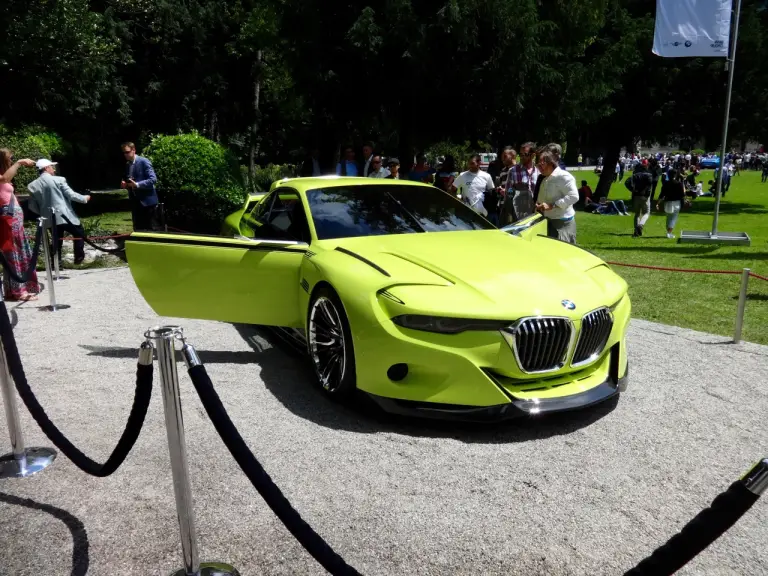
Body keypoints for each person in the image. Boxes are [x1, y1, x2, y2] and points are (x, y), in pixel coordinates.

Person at [27, 159, 91, 266]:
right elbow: (71, 195)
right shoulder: (59, 180)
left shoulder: (32, 185)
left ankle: (56, 263)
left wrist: (43, 213)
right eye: (52, 167)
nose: (54, 169)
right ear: (46, 168)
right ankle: (79, 256)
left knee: (56, 240)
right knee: (79, 233)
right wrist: (85, 198)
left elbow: (32, 206)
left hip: (49, 218)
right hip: (65, 215)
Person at [0, 150, 39, 301]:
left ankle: (14, 290)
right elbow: (4, 179)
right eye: (10, 158)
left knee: (16, 252)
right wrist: (19, 162)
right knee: (13, 253)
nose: (12, 160)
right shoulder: (4, 177)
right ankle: (18, 291)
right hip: (8, 220)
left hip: (13, 219)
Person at [535, 150, 578, 243]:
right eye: (538, 165)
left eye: (541, 164)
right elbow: (542, 200)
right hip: (548, 222)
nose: (539, 168)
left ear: (551, 163)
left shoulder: (564, 176)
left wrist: (552, 205)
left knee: (564, 254)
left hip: (563, 224)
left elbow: (574, 196)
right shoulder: (545, 178)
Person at [121, 142, 160, 231]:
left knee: (151, 230)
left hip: (147, 202)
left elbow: (153, 179)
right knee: (138, 229)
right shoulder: (128, 165)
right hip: (135, 202)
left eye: (127, 152)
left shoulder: (144, 161)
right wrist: (126, 184)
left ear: (134, 150)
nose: (125, 155)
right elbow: (131, 181)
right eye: (124, 153)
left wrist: (138, 184)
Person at [507, 142, 539, 221]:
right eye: (520, 154)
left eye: (525, 154)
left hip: (536, 213)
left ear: (533, 155)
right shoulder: (513, 171)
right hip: (518, 214)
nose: (521, 157)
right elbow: (509, 191)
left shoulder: (540, 171)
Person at [656, 168, 685, 239]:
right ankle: (669, 233)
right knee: (673, 218)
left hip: (667, 202)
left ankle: (669, 232)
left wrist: (658, 203)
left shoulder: (665, 183)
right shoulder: (679, 184)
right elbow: (682, 195)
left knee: (668, 218)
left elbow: (662, 194)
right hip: (676, 202)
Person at [626, 164, 653, 237]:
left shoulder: (635, 175)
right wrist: (647, 193)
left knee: (637, 214)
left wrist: (632, 190)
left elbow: (627, 182)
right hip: (645, 196)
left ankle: (636, 231)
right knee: (646, 213)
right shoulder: (649, 175)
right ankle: (640, 225)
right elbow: (649, 185)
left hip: (636, 195)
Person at [496, 147, 517, 223]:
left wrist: (507, 191)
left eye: (505, 156)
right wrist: (499, 190)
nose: (502, 159)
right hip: (503, 205)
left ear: (512, 156)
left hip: (515, 205)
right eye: (502, 157)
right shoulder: (503, 171)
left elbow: (518, 188)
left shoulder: (519, 170)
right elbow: (502, 186)